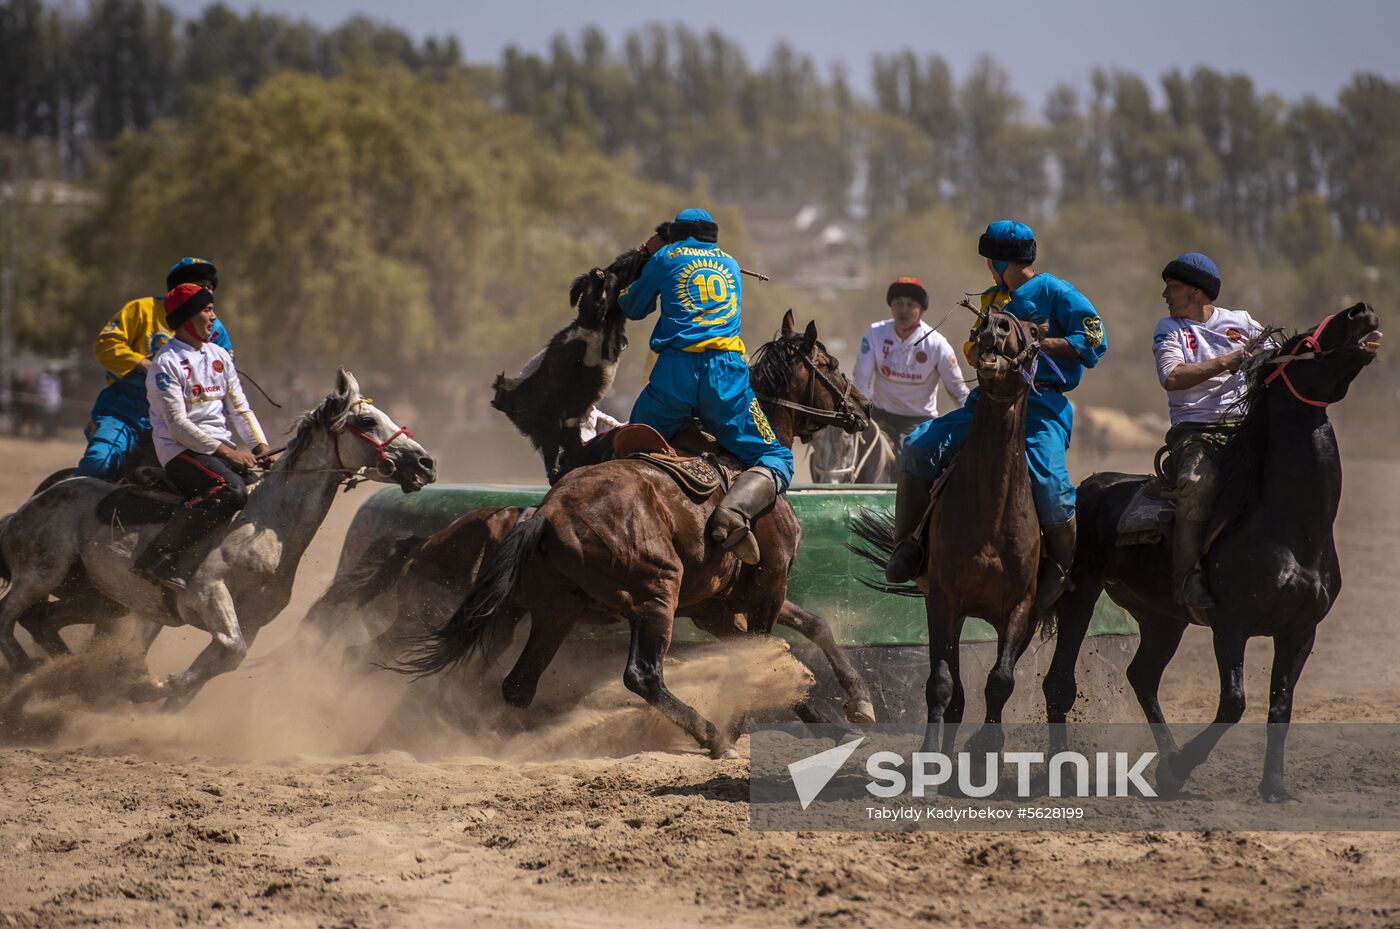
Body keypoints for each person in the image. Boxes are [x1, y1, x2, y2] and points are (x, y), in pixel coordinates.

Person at [886, 221, 1108, 616]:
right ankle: (907, 545)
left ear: (999, 261)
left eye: (990, 261)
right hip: (986, 403)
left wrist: (1038, 340)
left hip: (1040, 404)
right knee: (918, 446)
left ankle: (1059, 567)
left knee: (1051, 487)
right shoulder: (992, 299)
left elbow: (1094, 340)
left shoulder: (1058, 293)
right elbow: (973, 346)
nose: (989, 268)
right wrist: (978, 351)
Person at [618, 207, 794, 566]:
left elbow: (632, 308)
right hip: (724, 375)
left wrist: (644, 257)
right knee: (778, 457)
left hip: (674, 374)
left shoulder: (666, 255)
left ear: (677, 233)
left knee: (629, 443)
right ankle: (733, 512)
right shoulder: (729, 263)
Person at [1152, 253, 1267, 612]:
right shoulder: (1168, 329)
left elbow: (1276, 360)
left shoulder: (1243, 322)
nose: (1166, 295)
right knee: (1196, 484)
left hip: (1243, 427)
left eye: (1173, 288)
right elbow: (1171, 377)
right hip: (1195, 431)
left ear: (1198, 293)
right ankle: (1186, 579)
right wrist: (1229, 361)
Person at [134, 283, 268, 591]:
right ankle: (157, 558)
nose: (214, 316)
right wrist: (229, 454)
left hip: (217, 450)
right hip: (180, 452)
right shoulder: (165, 364)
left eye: (211, 309)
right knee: (231, 490)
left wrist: (260, 446)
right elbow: (178, 426)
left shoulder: (219, 355)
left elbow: (240, 409)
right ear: (186, 318)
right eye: (207, 310)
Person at [76, 257, 234, 480]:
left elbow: (223, 377)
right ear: (178, 287)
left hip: (179, 421)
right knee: (99, 464)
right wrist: (141, 363)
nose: (207, 290)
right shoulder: (142, 309)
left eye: (210, 286)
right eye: (200, 284)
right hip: (125, 412)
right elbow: (105, 345)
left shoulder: (215, 329)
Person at [852, 276, 969, 455]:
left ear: (921, 310)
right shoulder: (875, 333)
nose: (903, 310)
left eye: (911, 304)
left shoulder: (938, 344)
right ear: (891, 306)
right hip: (879, 416)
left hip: (919, 421)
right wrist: (862, 416)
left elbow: (957, 390)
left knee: (914, 457)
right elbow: (861, 380)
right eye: (898, 303)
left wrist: (976, 418)